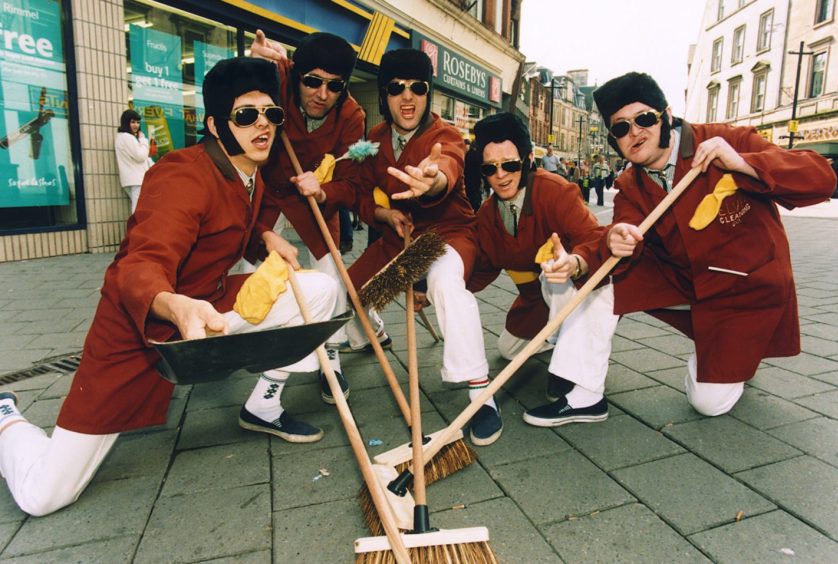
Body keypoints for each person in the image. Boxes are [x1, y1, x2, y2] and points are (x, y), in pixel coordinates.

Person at [0, 57, 340, 517]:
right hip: (138, 332)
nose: (263, 124)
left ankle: (262, 403)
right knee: (44, 496)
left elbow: (237, 216)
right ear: (217, 125)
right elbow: (140, 263)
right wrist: (172, 304)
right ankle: (5, 417)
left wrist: (264, 235)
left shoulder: (248, 168)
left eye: (271, 113)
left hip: (208, 306)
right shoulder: (182, 175)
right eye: (246, 115)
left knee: (317, 289)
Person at [591, 71, 836, 416]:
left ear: (667, 116)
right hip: (688, 284)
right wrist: (616, 237)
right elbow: (624, 224)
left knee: (707, 403)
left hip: (744, 291)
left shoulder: (725, 140)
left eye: (644, 119)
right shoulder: (630, 182)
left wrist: (743, 163)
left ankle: (734, 353)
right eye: (621, 127)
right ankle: (580, 394)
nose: (635, 133)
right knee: (599, 284)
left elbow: (821, 178)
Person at [301, 49, 500, 446]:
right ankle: (332, 365)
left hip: (446, 235)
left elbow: (448, 168)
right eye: (396, 88)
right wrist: (373, 210)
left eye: (417, 88)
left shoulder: (445, 136)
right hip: (399, 239)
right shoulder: (373, 139)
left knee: (445, 284)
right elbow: (356, 191)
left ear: (429, 95)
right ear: (384, 95)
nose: (407, 98)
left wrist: (434, 180)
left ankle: (480, 393)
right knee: (342, 294)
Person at [248, 30, 383, 401]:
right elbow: (234, 96)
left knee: (331, 274)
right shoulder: (275, 74)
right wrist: (251, 61)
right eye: (312, 82)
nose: (322, 95)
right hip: (267, 188)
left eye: (334, 86)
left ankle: (331, 359)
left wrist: (324, 190)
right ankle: (241, 345)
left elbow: (351, 182)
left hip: (312, 198)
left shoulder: (353, 115)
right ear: (297, 75)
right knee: (240, 266)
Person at [468, 113, 618, 426]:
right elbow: (484, 266)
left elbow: (594, 237)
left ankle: (574, 380)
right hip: (535, 300)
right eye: (490, 168)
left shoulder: (555, 191)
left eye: (510, 164)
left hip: (572, 286)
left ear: (526, 160)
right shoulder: (486, 213)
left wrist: (574, 262)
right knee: (508, 349)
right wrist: (439, 287)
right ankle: (562, 342)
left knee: (555, 274)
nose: (501, 175)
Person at [114, 109, 155, 212]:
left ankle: (137, 228)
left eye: (137, 122)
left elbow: (142, 157)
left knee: (139, 208)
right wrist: (143, 140)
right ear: (126, 122)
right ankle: (136, 228)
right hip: (136, 179)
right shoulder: (127, 137)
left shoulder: (124, 137)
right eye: (132, 122)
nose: (136, 125)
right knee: (138, 209)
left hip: (133, 179)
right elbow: (140, 155)